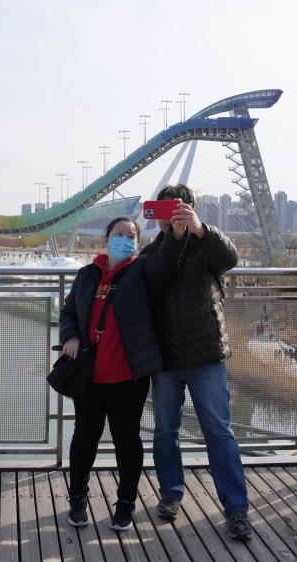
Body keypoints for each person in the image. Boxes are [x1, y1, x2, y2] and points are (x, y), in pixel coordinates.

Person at [139, 184, 252, 541]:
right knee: (165, 431)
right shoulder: (152, 251)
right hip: (166, 360)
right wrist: (173, 239)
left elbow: (230, 259)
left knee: (219, 432)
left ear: (191, 210)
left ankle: (236, 507)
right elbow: (154, 276)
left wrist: (201, 230)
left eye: (178, 208)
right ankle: (170, 493)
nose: (171, 217)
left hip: (206, 356)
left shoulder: (207, 245)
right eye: (165, 210)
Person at [59, 213, 186, 531]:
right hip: (89, 374)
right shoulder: (87, 274)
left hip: (128, 376)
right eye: (119, 234)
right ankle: (77, 499)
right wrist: (70, 336)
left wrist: (176, 232)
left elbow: (165, 262)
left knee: (126, 440)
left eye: (131, 236)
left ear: (138, 243)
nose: (125, 239)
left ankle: (126, 503)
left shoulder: (142, 271)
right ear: (106, 239)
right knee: (84, 437)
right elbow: (69, 310)